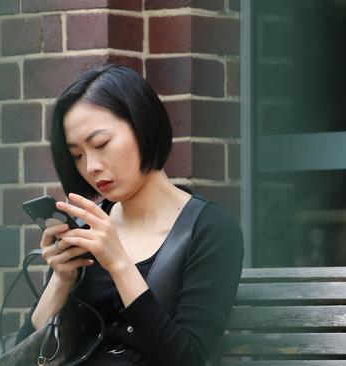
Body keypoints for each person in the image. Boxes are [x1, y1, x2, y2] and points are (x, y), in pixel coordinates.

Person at [15, 63, 244, 365]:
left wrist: (119, 264)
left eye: (101, 144)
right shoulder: (87, 228)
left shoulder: (210, 230)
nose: (91, 166)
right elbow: (22, 359)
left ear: (142, 125)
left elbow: (188, 358)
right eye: (77, 156)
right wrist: (61, 280)